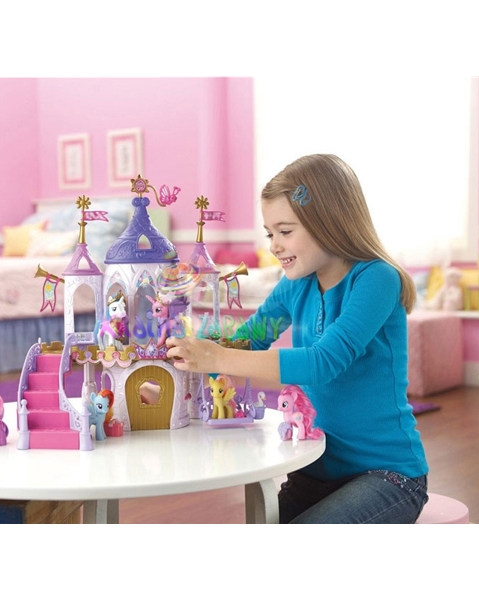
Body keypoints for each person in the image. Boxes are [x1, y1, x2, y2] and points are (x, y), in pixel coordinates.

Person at [166, 154, 429, 524]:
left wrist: (216, 357)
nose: (274, 245)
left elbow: (323, 362)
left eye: (285, 232)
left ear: (329, 222)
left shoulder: (376, 279)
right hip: (314, 469)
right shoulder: (295, 286)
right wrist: (182, 355)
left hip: (388, 475)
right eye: (270, 233)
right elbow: (248, 342)